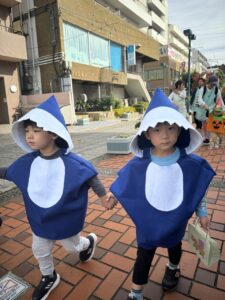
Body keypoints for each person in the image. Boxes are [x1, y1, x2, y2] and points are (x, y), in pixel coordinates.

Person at [0, 95, 111, 300]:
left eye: (35, 131)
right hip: (40, 219)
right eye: (26, 131)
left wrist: (104, 197)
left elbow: (91, 176)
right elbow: (9, 171)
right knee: (39, 248)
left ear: (52, 133)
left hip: (65, 218)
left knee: (72, 247)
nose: (29, 136)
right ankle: (49, 276)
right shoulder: (28, 162)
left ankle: (88, 242)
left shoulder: (73, 162)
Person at [109, 89, 215, 300]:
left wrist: (202, 212)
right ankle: (136, 293)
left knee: (174, 246)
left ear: (180, 130)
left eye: (170, 128)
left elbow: (196, 188)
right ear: (147, 134)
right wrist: (113, 196)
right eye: (157, 130)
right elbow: (126, 181)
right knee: (143, 256)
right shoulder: (140, 162)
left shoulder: (189, 163)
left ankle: (173, 266)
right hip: (148, 224)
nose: (165, 135)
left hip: (176, 220)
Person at [201, 75, 224, 146]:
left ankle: (218, 139)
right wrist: (204, 105)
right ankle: (207, 139)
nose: (214, 85)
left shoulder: (217, 90)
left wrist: (223, 109)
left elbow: (220, 100)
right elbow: (200, 99)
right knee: (204, 125)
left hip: (213, 110)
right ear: (209, 82)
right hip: (204, 109)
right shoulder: (203, 89)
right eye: (212, 83)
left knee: (213, 124)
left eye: (215, 84)